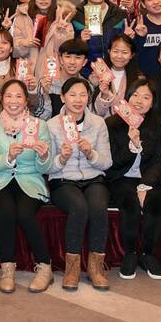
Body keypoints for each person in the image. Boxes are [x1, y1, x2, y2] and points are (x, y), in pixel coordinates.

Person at [0, 80, 54, 293]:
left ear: (26, 101)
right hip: (1, 180)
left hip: (30, 180)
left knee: (25, 213)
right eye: (8, 96)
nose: (13, 101)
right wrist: (8, 156)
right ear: (2, 99)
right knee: (5, 211)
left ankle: (45, 267)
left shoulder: (40, 125)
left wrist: (43, 155)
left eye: (18, 96)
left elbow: (45, 167)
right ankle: (7, 268)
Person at [47, 76, 112, 291]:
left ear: (89, 98)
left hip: (94, 178)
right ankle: (72, 269)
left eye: (83, 95)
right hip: (63, 180)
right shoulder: (51, 125)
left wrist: (91, 154)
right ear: (62, 97)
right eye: (72, 94)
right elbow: (46, 166)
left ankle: (95, 268)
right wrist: (62, 158)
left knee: (98, 207)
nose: (78, 100)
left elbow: (107, 162)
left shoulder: (98, 123)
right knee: (79, 207)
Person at [105, 78, 161, 280]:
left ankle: (148, 254)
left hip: (149, 177)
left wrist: (145, 184)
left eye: (146, 97)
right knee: (129, 205)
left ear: (153, 101)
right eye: (135, 95)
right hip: (121, 177)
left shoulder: (159, 123)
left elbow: (160, 159)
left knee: (155, 203)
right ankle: (130, 253)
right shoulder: (112, 124)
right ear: (127, 97)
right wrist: (131, 145)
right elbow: (112, 162)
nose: (139, 101)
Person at [12, 0, 74, 82]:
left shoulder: (63, 17)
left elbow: (66, 51)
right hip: (27, 74)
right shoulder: (22, 16)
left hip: (51, 74)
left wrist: (60, 31)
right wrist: (25, 43)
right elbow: (16, 52)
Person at [71, 0, 128, 67]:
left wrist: (130, 37)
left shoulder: (119, 14)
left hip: (114, 70)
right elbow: (68, 49)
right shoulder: (75, 15)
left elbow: (128, 47)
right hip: (85, 71)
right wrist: (80, 40)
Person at [92, 35, 142, 117]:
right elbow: (97, 112)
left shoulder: (138, 79)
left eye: (124, 52)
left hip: (126, 124)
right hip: (103, 123)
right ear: (109, 51)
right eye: (115, 51)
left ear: (132, 55)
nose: (119, 56)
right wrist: (104, 95)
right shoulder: (96, 75)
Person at [44, 38, 90, 116]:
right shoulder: (48, 83)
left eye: (78, 58)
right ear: (60, 59)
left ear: (84, 62)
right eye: (68, 57)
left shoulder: (87, 86)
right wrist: (45, 93)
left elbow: (90, 115)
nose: (72, 62)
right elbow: (42, 117)